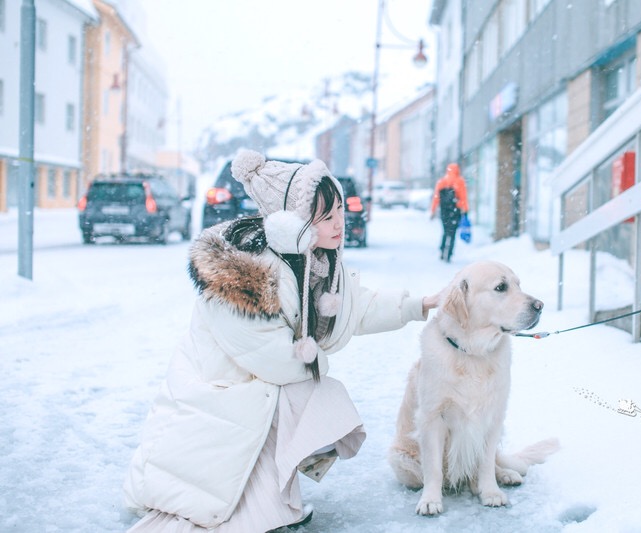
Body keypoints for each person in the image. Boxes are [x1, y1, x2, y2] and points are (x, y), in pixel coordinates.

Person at [123, 150, 439, 532]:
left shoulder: (312, 260)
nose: (340, 223)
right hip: (220, 390)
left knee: (310, 398)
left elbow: (356, 307)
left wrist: (417, 306)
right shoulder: (248, 272)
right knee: (311, 398)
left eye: (340, 211)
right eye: (326, 217)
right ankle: (267, 500)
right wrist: (317, 362)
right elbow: (270, 358)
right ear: (293, 222)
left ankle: (275, 495)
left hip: (256, 387)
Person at [430, 163, 469, 262]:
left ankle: (442, 250)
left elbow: (436, 198)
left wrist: (433, 211)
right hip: (455, 211)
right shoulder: (460, 181)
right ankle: (449, 253)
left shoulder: (441, 182)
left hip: (444, 212)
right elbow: (463, 197)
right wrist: (465, 209)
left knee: (445, 231)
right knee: (452, 233)